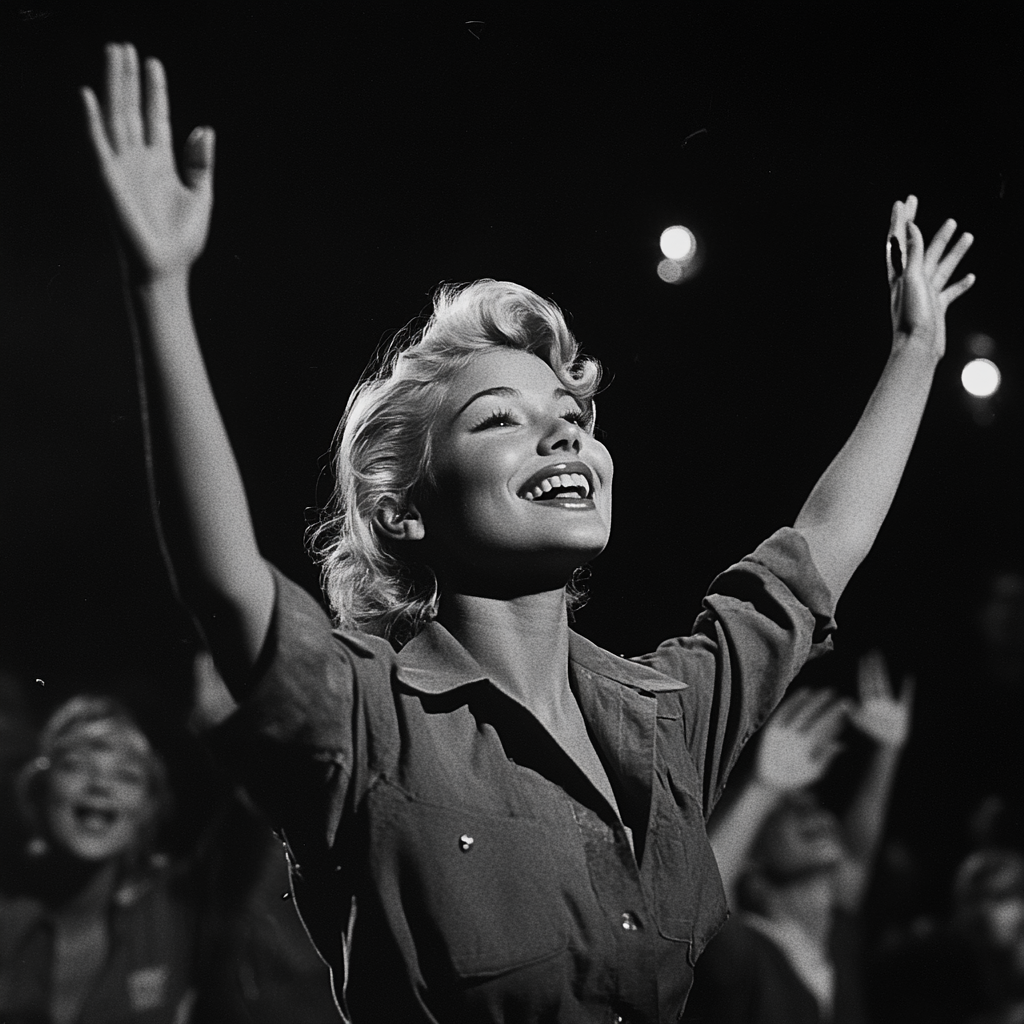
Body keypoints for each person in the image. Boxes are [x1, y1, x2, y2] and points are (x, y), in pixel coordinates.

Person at [78, 40, 975, 1023]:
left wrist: (916, 349)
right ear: (404, 508)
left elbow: (820, 550)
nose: (562, 430)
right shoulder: (367, 723)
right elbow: (222, 580)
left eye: (574, 418)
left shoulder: (667, 715)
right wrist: (159, 289)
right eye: (498, 417)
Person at [686, 652, 912, 1023]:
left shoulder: (836, 939)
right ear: (752, 857)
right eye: (788, 810)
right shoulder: (747, 954)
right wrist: (765, 787)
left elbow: (856, 856)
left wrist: (886, 751)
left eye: (814, 804)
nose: (815, 815)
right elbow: (701, 897)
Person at [0, 695, 197, 1024]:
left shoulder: (175, 913)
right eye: (76, 766)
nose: (100, 785)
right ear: (41, 789)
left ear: (149, 808)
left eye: (127, 776)